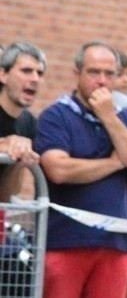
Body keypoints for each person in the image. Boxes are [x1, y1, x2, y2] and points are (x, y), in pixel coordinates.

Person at [34, 41, 127, 298]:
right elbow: (58, 169)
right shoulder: (56, 116)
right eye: (93, 72)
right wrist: (114, 163)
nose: (101, 81)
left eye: (109, 74)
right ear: (76, 74)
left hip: (118, 245)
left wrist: (109, 117)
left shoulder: (126, 117)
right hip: (65, 242)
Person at [0, 42, 45, 296]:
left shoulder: (28, 123)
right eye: (26, 71)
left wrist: (18, 158)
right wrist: (3, 145)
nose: (35, 79)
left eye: (39, 73)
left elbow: (6, 194)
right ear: (3, 74)